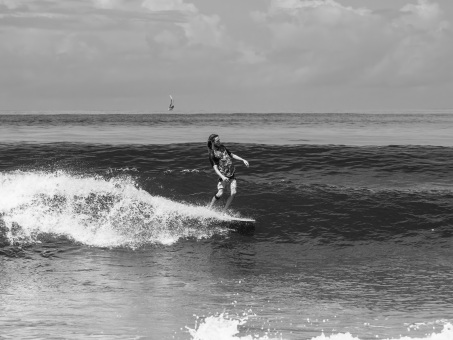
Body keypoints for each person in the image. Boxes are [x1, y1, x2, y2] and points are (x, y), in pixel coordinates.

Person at [207, 134, 249, 211]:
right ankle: (209, 209)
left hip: (231, 173)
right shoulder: (212, 154)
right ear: (213, 142)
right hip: (223, 175)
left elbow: (231, 155)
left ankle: (224, 211)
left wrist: (243, 160)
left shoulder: (223, 147)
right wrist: (222, 177)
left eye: (219, 140)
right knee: (220, 193)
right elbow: (215, 168)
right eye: (217, 141)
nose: (219, 141)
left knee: (233, 192)